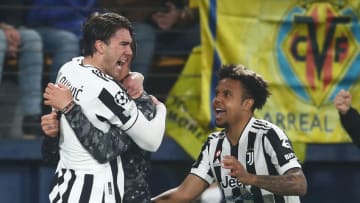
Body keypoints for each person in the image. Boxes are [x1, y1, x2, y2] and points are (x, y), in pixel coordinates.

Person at [42, 12, 166, 202]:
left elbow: (53, 151)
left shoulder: (68, 69)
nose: (130, 51)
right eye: (123, 44)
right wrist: (160, 109)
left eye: (130, 45)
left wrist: (52, 132)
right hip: (96, 195)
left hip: (62, 190)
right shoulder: (109, 90)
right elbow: (151, 141)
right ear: (100, 45)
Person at [152, 64, 307, 203]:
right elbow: (183, 194)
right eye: (217, 93)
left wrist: (251, 179)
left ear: (247, 104)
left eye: (226, 94)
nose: (217, 100)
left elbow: (299, 184)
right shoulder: (213, 144)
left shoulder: (269, 135)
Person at [100, 0, 200, 79]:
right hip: (136, 28)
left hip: (177, 32)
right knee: (143, 34)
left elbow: (205, 12)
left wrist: (180, 15)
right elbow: (111, 10)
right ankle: (134, 96)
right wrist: (152, 8)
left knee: (203, 33)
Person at [26, 0, 99, 82]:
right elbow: (36, 17)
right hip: (46, 28)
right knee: (69, 41)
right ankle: (58, 89)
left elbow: (94, 12)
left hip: (79, 30)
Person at [0, 22, 43, 136]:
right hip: (4, 31)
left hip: (15, 29)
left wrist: (12, 32)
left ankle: (31, 118)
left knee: (32, 38)